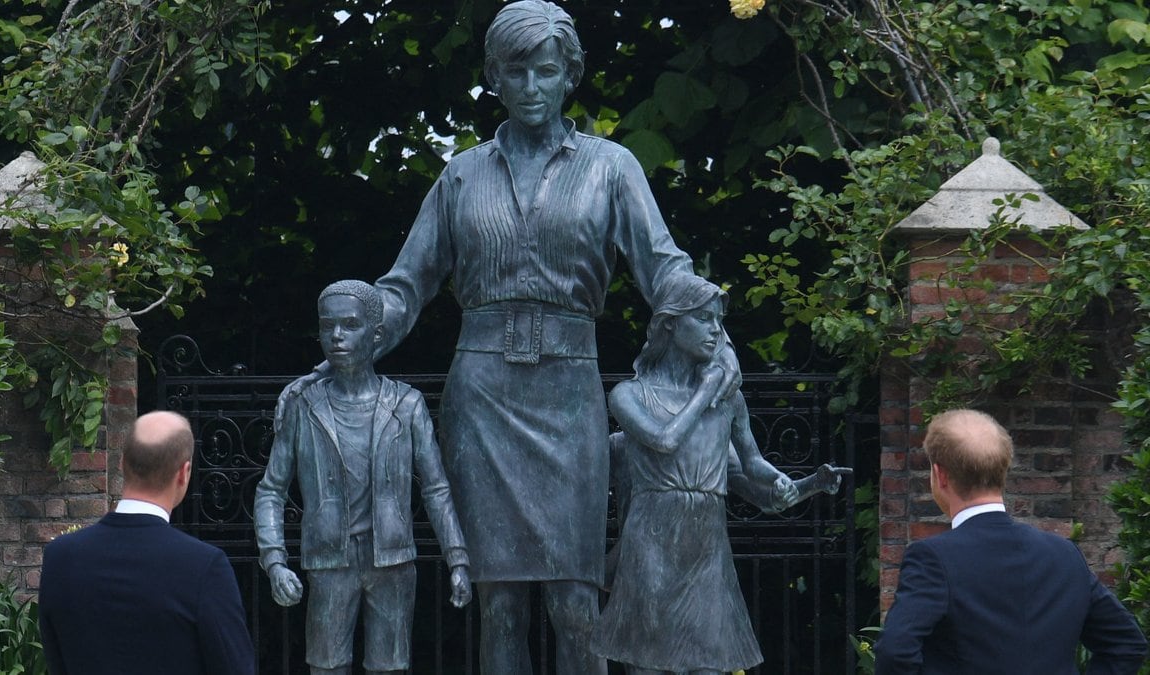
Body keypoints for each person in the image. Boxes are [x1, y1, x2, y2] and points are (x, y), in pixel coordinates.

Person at [288, 2, 740, 673]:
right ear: (495, 77)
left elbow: (662, 266)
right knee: (497, 602)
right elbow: (407, 284)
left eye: (546, 71)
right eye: (517, 71)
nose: (531, 86)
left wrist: (712, 327)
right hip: (484, 395)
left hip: (569, 388)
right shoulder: (462, 175)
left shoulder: (611, 167)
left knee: (575, 600)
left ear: (569, 77)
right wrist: (353, 332)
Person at [592, 274, 848, 674]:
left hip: (706, 551)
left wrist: (802, 483)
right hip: (650, 545)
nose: (716, 331)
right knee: (647, 664)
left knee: (709, 665)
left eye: (719, 321)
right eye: (704, 319)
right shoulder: (630, 394)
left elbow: (753, 468)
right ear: (670, 324)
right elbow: (664, 440)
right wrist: (706, 391)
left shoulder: (728, 401)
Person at [254, 280, 472, 675]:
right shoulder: (304, 407)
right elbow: (271, 489)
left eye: (349, 324)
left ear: (375, 335)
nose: (336, 336)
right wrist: (275, 560)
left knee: (390, 668)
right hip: (329, 560)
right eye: (327, 325)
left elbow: (437, 488)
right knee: (326, 666)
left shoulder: (407, 405)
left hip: (392, 560)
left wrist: (457, 558)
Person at [874, 408, 1148, 674]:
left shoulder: (932, 558)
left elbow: (896, 653)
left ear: (940, 474)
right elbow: (1125, 645)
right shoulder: (1064, 553)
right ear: (1003, 468)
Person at [38, 410, 255, 675]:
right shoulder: (203, 567)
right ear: (184, 473)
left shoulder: (60, 557)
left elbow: (56, 660)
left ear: (121, 463)